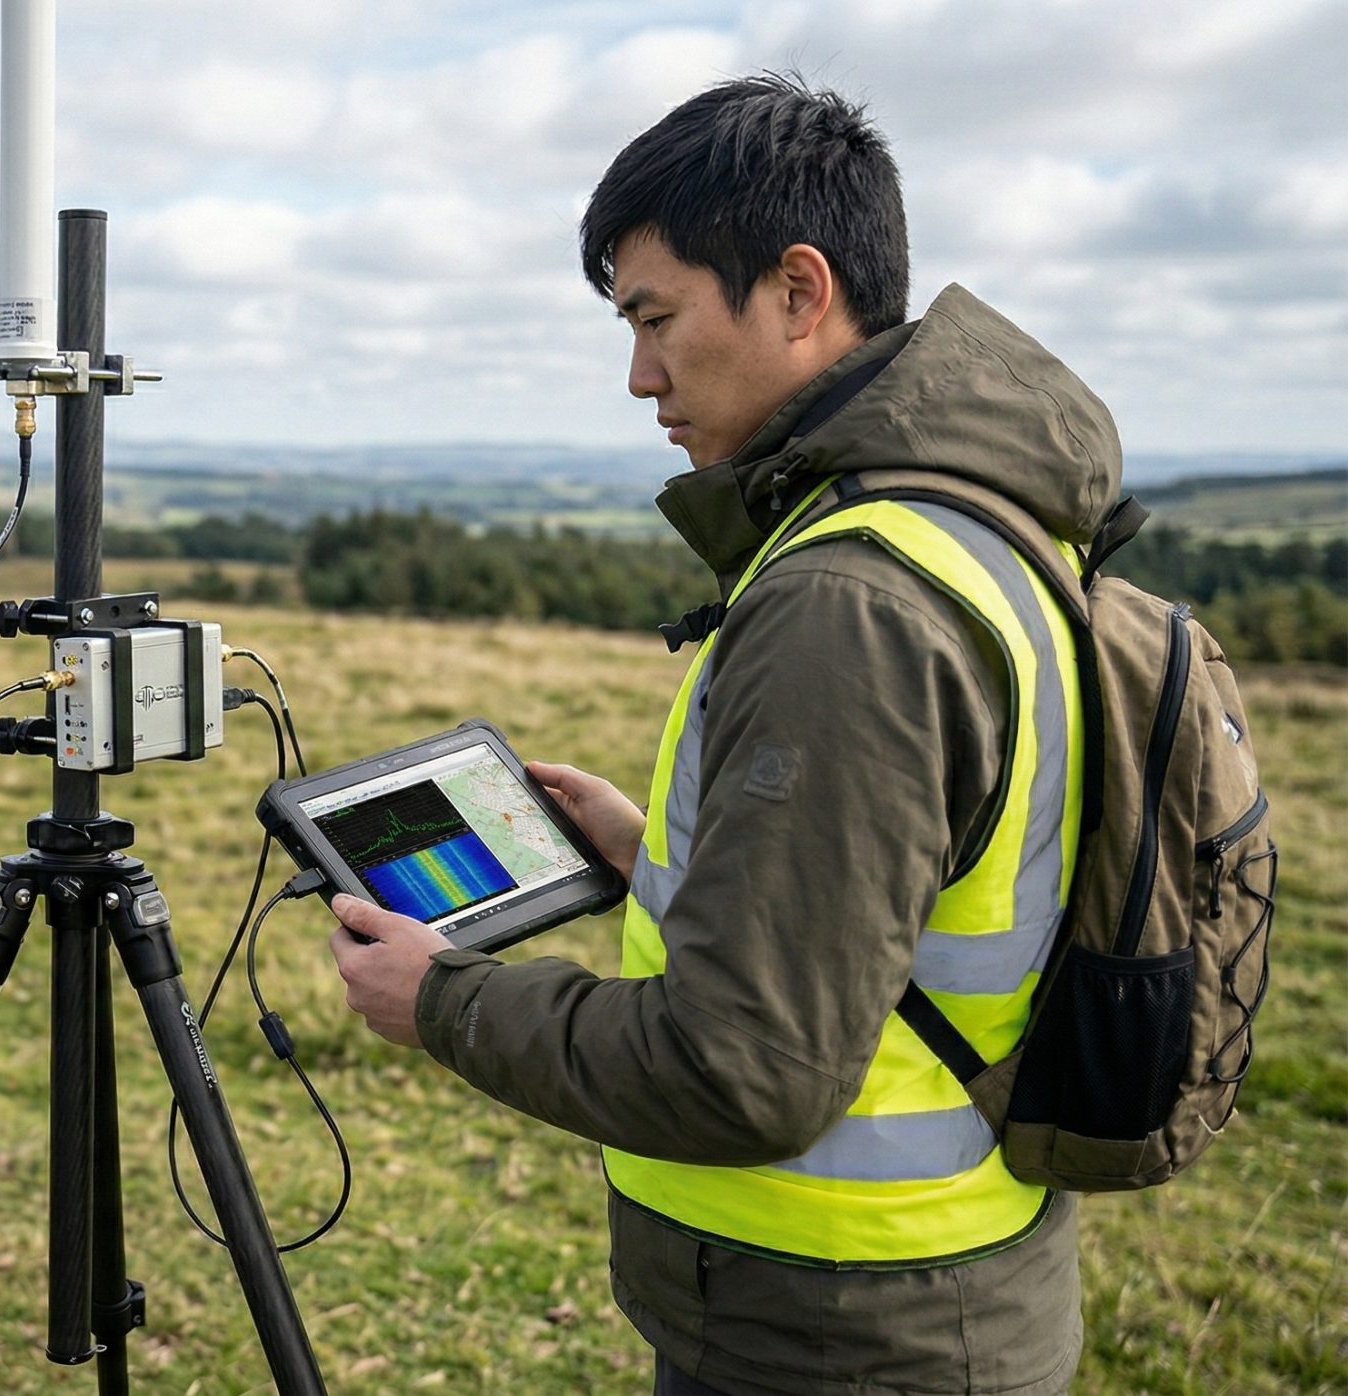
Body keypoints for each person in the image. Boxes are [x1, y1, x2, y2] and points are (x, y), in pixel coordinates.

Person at [328, 74, 1115, 1395]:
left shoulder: (847, 601)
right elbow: (912, 897)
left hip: (838, 1332)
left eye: (657, 318)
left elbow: (743, 1075)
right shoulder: (975, 529)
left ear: (800, 293)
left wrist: (446, 1000)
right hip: (941, 1293)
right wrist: (658, 858)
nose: (640, 377)